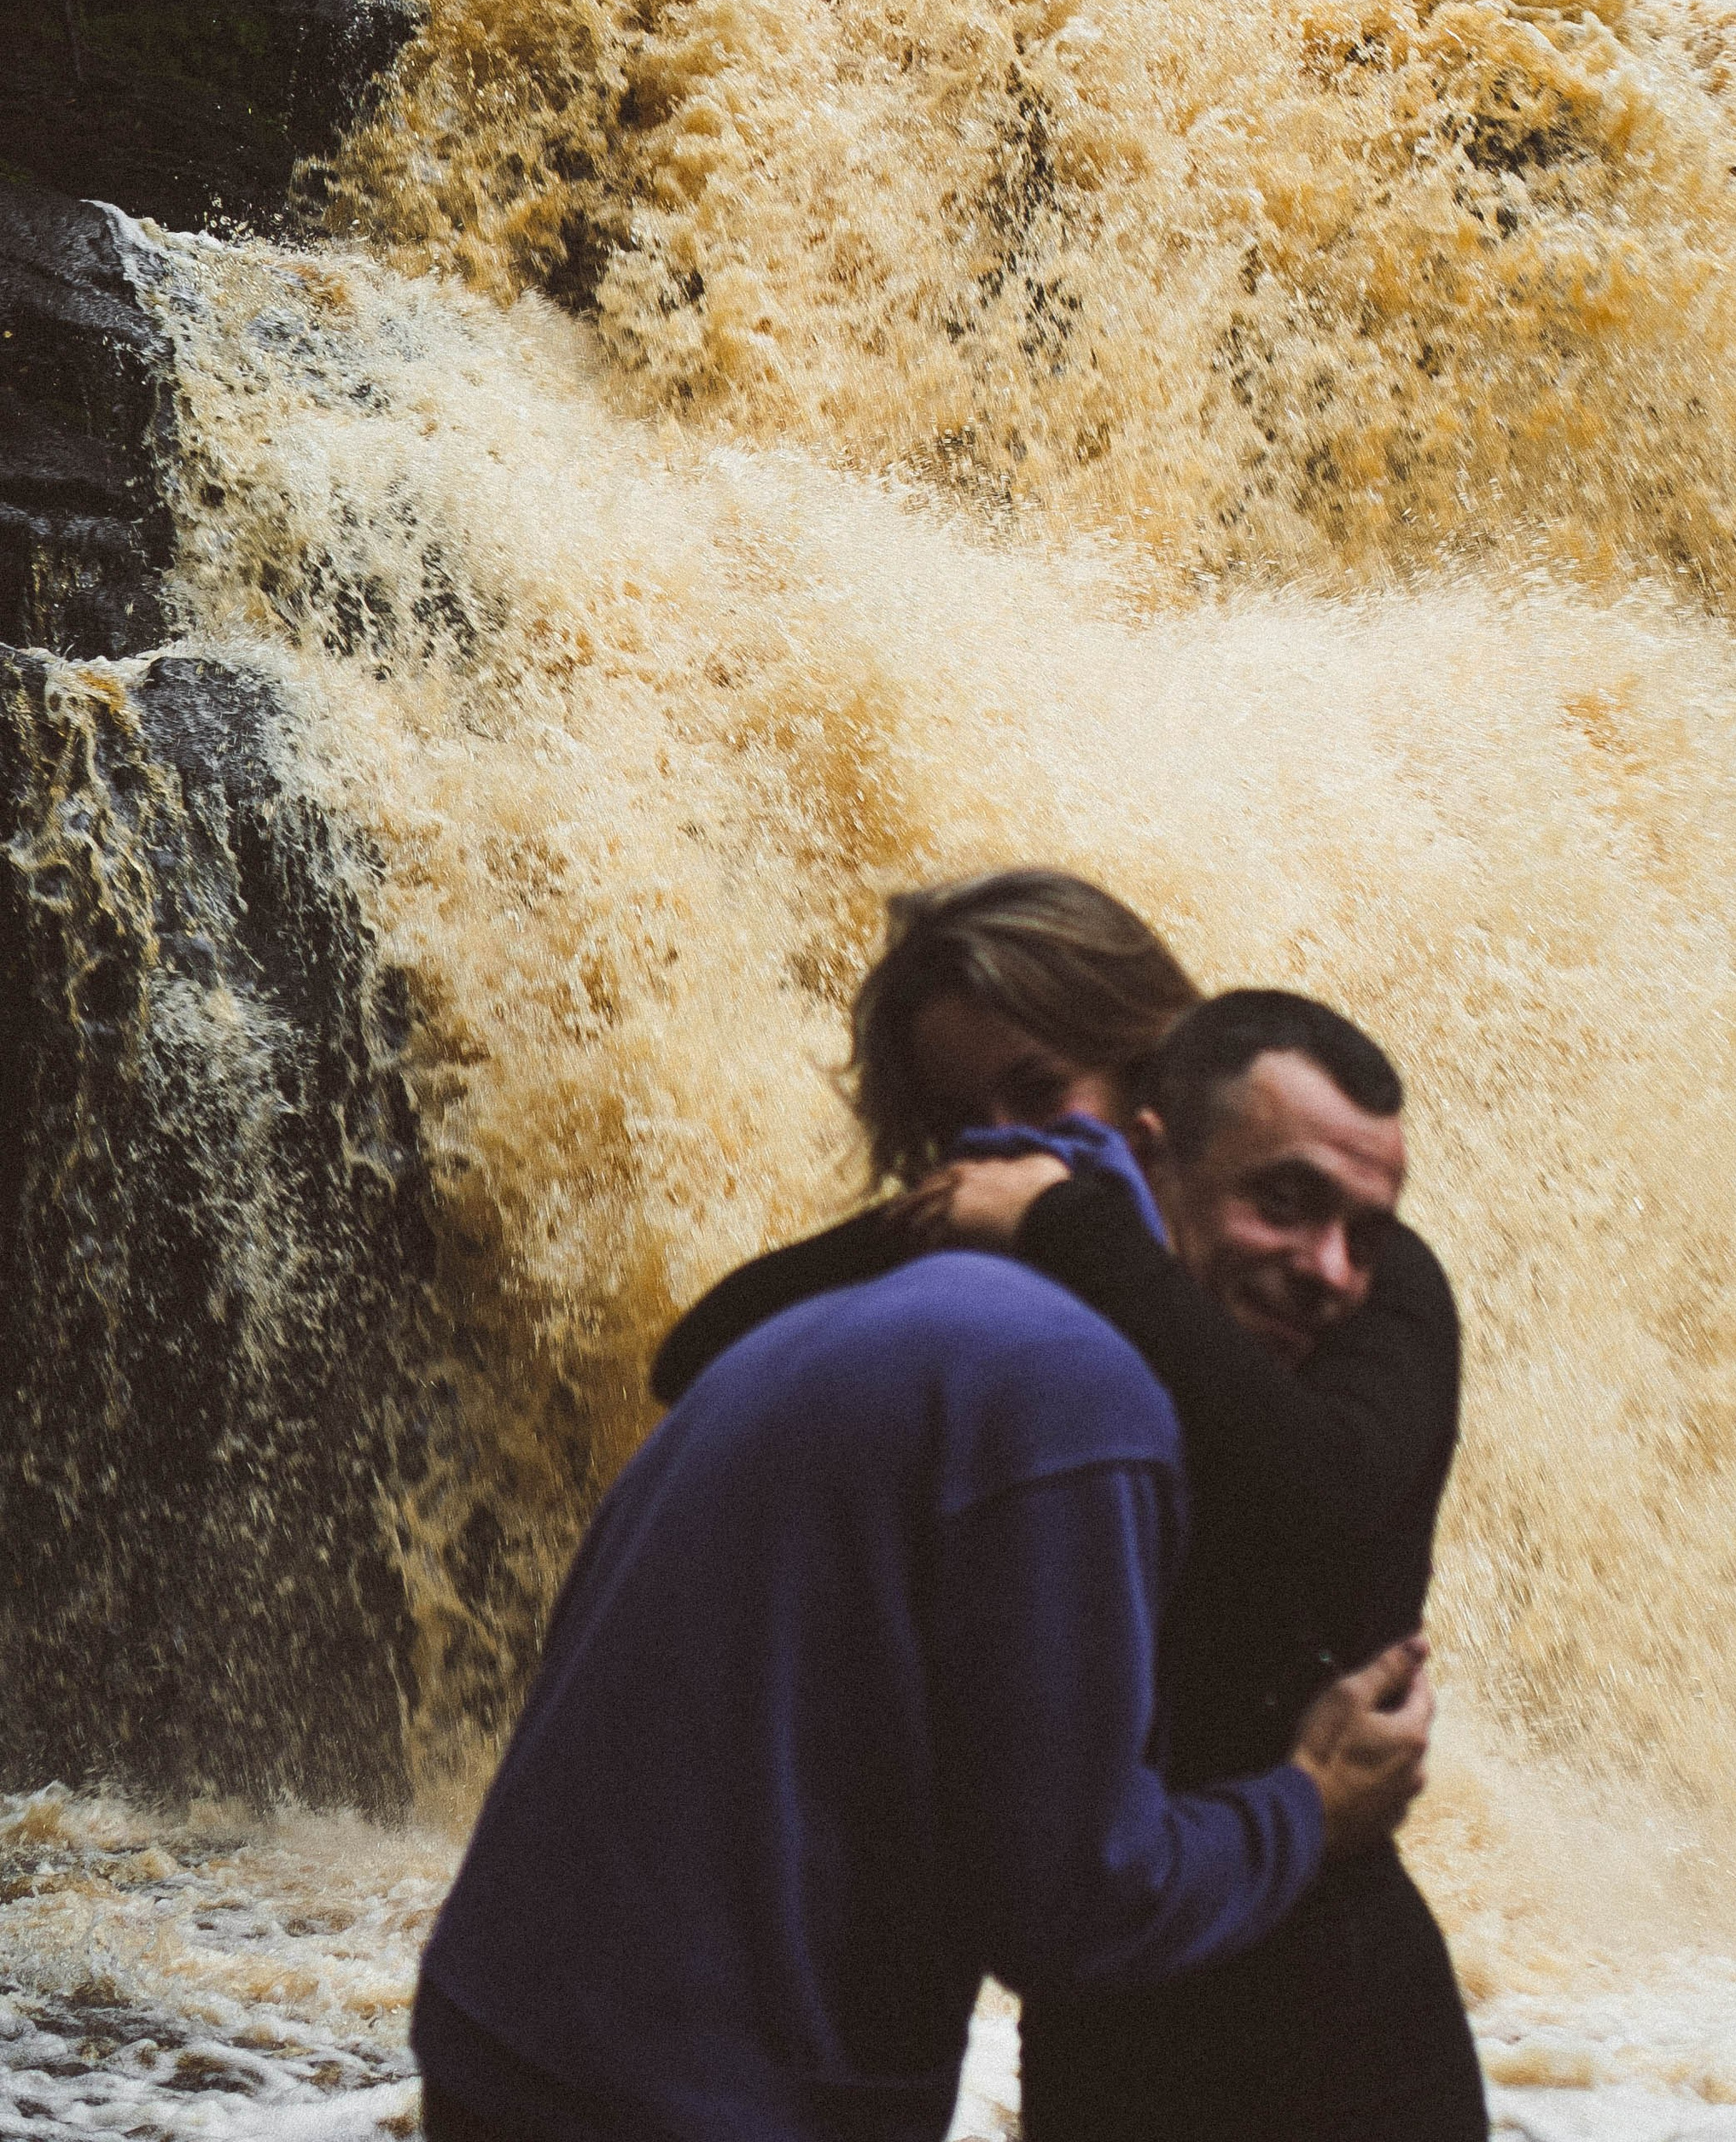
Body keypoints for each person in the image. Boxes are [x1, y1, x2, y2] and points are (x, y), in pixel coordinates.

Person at [655, 877, 1487, 2142]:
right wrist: (955, 1220)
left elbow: (1323, 1494)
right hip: (1114, 2000)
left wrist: (1061, 1216)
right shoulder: (1029, 1272)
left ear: (1151, 1082)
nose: (998, 1140)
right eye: (956, 1121)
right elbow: (703, 1353)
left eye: (1040, 1095)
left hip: (1337, 2013)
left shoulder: (1351, 1270)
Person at [412, 1240, 1435, 2142]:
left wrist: (1065, 1223)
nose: (1328, 1264)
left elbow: (1331, 1489)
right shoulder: (1048, 1356)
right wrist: (1306, 1806)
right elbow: (1075, 1906)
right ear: (1160, 1146)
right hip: (741, 2072)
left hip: (515, 2022)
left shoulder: (925, 1326)